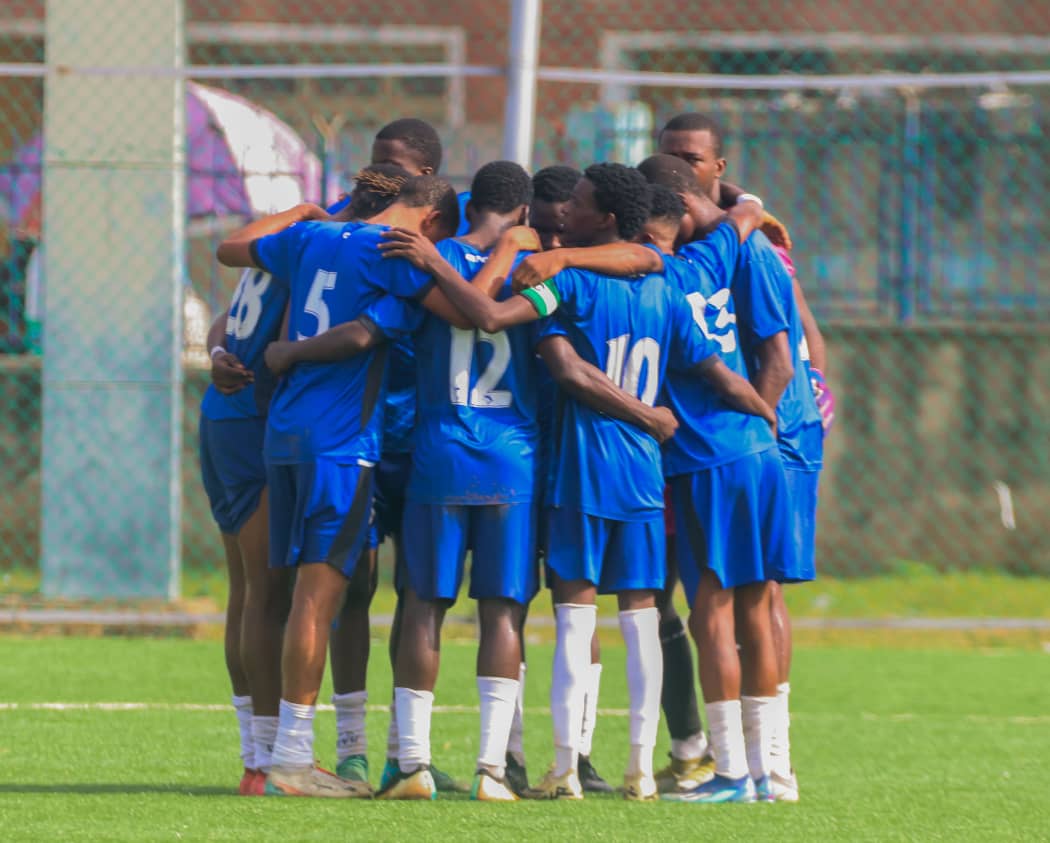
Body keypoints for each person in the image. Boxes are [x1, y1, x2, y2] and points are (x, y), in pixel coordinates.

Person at [399, 163, 771, 802]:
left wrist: (440, 262)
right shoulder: (663, 289)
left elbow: (500, 321)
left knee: (573, 614)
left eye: (578, 202)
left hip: (580, 469)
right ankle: (639, 768)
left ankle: (565, 765)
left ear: (605, 217)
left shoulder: (565, 285)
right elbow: (716, 370)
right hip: (643, 474)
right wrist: (766, 416)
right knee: (640, 617)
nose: (566, 211)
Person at [215, 174, 459, 798]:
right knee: (315, 599)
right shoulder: (395, 254)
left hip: (282, 436)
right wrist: (439, 263)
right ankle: (292, 762)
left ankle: (271, 755)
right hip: (341, 447)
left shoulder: (308, 238)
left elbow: (234, 250)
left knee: (274, 595)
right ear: (430, 222)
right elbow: (464, 314)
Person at [659, 116, 828, 800]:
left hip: (746, 444)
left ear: (717, 167)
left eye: (692, 157)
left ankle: (751, 766)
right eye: (672, 156)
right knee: (744, 599)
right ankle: (764, 770)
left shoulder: (737, 252)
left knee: (731, 602)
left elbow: (785, 354)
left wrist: (761, 418)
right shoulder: (721, 244)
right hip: (744, 444)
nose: (683, 165)